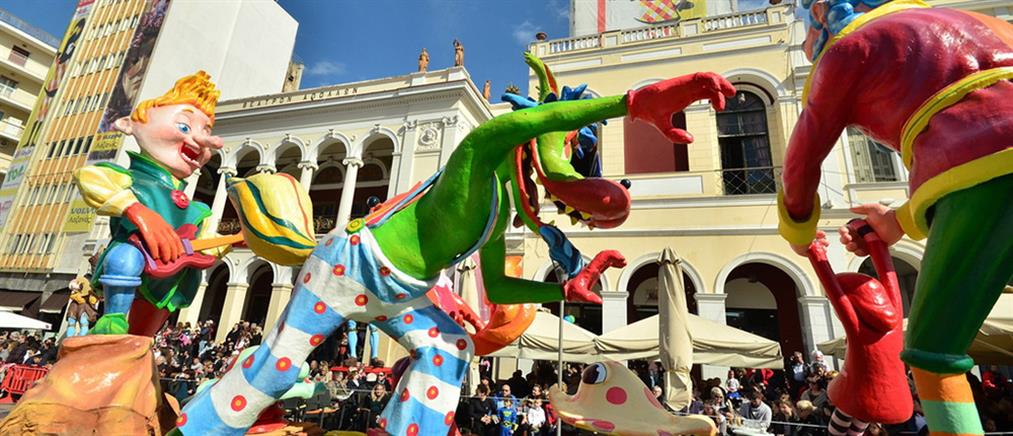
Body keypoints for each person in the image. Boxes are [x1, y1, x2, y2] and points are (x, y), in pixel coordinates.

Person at [74, 71, 233, 335]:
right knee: (125, 257)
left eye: (205, 133)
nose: (200, 141)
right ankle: (112, 318)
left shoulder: (196, 211)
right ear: (129, 125)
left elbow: (206, 246)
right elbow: (88, 177)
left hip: (168, 279)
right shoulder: (131, 180)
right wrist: (137, 211)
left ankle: (140, 342)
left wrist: (237, 240)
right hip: (130, 263)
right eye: (184, 127)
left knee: (141, 339)